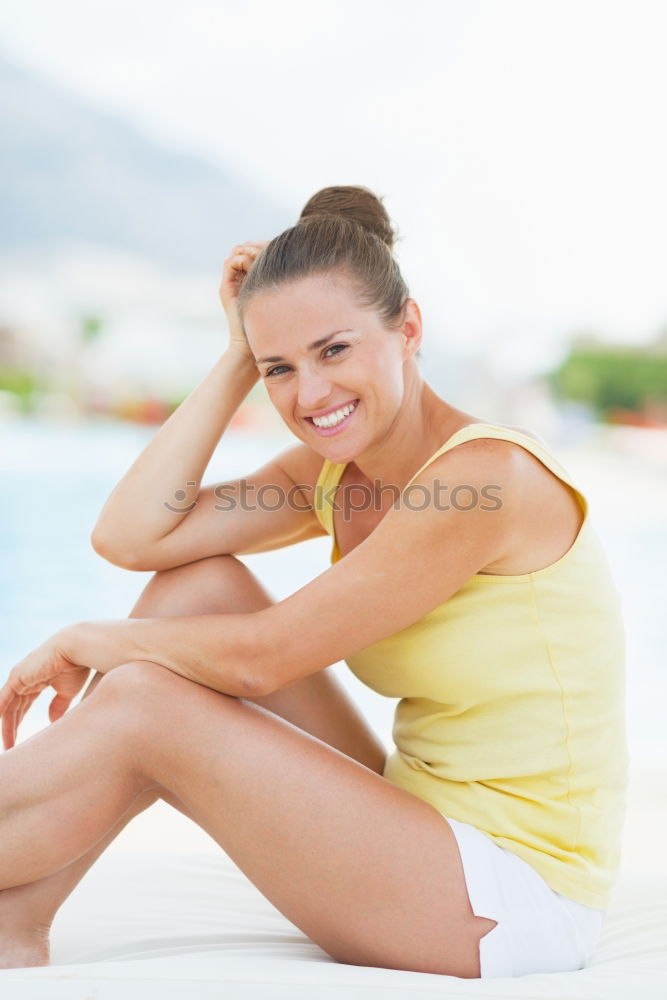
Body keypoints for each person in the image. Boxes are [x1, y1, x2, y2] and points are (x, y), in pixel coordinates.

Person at [0, 185, 628, 979]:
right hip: (417, 820)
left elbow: (264, 659)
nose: (310, 395)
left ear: (408, 328)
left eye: (333, 350)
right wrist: (235, 357)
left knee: (146, 703)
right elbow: (132, 536)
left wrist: (88, 639)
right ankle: (16, 921)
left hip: (514, 899)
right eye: (279, 368)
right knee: (198, 586)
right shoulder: (337, 473)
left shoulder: (482, 480)